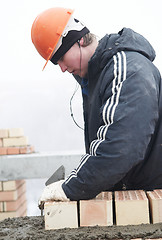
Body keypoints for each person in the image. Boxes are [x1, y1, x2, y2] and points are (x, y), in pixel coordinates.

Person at [31, 7, 162, 203]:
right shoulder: (98, 76)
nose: (63, 69)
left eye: (61, 58)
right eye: (55, 63)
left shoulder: (126, 70)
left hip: (152, 200)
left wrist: (70, 188)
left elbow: (119, 148)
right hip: (136, 196)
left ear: (80, 40)